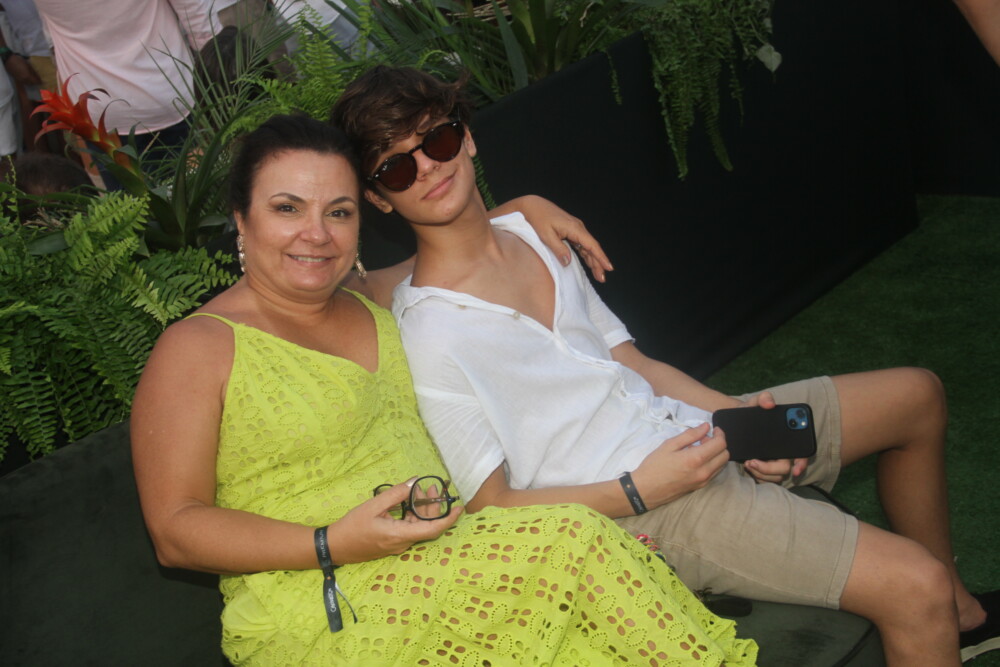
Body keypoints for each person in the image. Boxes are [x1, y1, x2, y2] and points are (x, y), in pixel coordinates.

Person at [329, 65, 1000, 665]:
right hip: (649, 510)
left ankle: (963, 619)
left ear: (468, 137)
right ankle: (937, 609)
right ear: (380, 200)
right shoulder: (429, 332)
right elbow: (493, 505)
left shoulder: (535, 231)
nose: (428, 168)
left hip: (691, 432)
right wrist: (638, 489)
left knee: (916, 397)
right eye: (397, 169)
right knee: (913, 585)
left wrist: (738, 420)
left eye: (439, 140)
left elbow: (634, 363)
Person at [130, 113, 759, 665]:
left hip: (450, 551)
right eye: (287, 208)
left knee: (586, 553)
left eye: (338, 212)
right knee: (580, 541)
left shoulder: (372, 301)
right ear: (241, 219)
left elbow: (459, 239)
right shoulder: (198, 347)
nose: (316, 234)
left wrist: (524, 207)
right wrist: (330, 542)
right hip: (319, 595)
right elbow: (175, 530)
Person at [33, 0, 215, 188]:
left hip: (97, 108)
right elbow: (197, 16)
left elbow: (52, 36)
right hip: (164, 93)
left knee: (129, 202)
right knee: (190, 195)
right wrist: (219, 68)